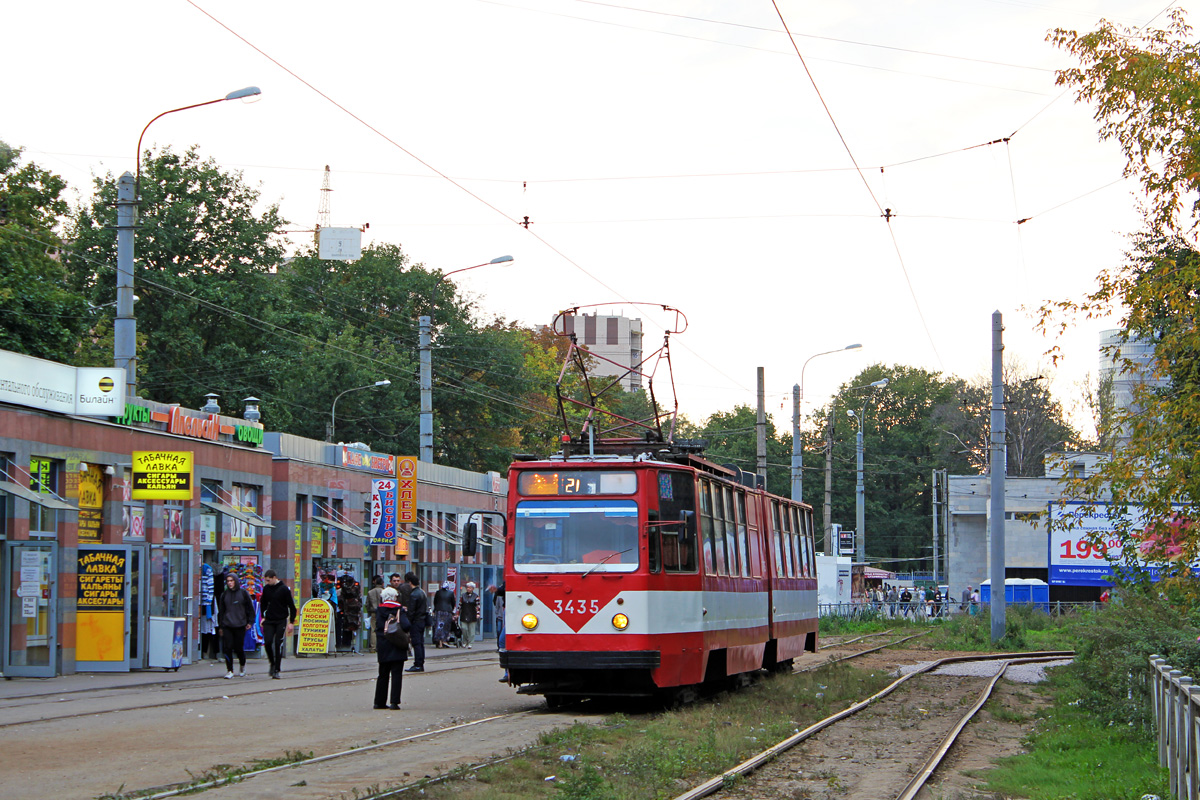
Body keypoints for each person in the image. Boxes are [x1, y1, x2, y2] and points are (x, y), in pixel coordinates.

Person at [373, 586, 409, 710]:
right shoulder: (399, 609)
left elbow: (378, 626)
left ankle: (379, 702)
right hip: (397, 644)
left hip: (383, 644)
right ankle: (394, 702)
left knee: (382, 674)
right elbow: (406, 625)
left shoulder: (379, 609)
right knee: (396, 675)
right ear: (395, 597)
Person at [259, 569, 297, 679]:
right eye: (266, 580)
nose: (267, 583)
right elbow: (263, 603)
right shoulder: (266, 589)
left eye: (268, 580)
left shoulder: (284, 589)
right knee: (268, 641)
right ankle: (272, 662)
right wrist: (263, 617)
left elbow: (291, 606)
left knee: (277, 643)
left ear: (274, 578)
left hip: (281, 619)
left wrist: (291, 622)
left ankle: (277, 669)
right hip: (269, 620)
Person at [217, 572, 254, 678]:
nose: (230, 583)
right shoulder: (224, 595)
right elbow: (222, 612)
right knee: (227, 648)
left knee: (239, 648)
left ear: (236, 581)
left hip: (240, 625)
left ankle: (242, 665)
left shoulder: (243, 593)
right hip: (227, 625)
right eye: (228, 581)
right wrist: (221, 626)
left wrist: (250, 622)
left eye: (231, 581)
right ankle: (230, 670)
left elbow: (250, 609)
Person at [405, 573, 428, 673]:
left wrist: (407, 622)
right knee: (420, 643)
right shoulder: (422, 592)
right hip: (422, 620)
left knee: (416, 643)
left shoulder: (414, 594)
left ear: (410, 582)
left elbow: (411, 611)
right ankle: (420, 662)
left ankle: (418, 664)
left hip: (416, 621)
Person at [488, 582, 507, 682]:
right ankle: (507, 672)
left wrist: (497, 590)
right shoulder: (505, 583)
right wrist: (497, 590)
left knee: (503, 641)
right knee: (503, 641)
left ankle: (507, 672)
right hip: (509, 610)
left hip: (512, 610)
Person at [457, 581, 481, 649]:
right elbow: (459, 605)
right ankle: (465, 641)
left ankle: (470, 643)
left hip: (472, 614)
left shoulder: (476, 596)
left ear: (473, 589)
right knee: (464, 628)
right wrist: (457, 614)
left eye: (470, 588)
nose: (468, 589)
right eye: (467, 587)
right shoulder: (463, 595)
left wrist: (478, 614)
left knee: (471, 630)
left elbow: (478, 606)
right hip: (464, 613)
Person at [364, 576, 384, 652]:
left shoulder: (370, 592)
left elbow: (367, 604)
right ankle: (381, 647)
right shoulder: (384, 591)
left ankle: (373, 648)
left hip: (373, 612)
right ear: (382, 583)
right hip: (382, 613)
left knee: (373, 630)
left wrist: (369, 610)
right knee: (382, 629)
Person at [432, 582, 455, 648]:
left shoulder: (438, 592)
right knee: (446, 626)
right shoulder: (451, 593)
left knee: (439, 626)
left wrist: (435, 609)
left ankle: (439, 641)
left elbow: (435, 602)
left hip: (439, 610)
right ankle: (444, 640)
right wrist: (451, 609)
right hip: (447, 611)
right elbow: (453, 602)